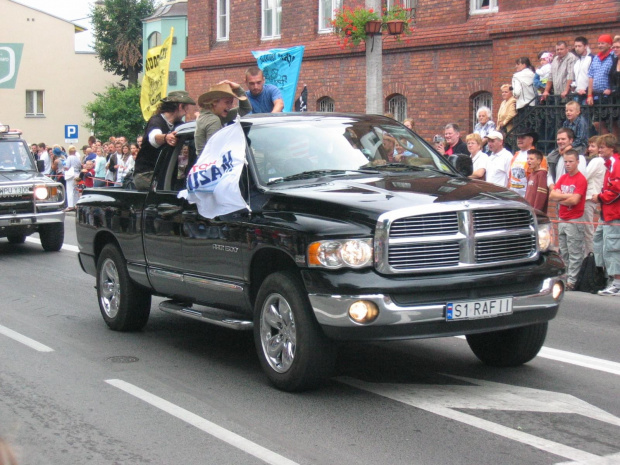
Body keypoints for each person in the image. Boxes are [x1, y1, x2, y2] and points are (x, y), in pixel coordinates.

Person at [134, 90, 196, 191]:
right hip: (147, 174)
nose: (187, 112)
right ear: (180, 106)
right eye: (186, 108)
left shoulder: (179, 125)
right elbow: (153, 137)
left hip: (165, 175)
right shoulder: (156, 121)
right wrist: (165, 137)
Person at [549, 150, 588, 290]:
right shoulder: (564, 177)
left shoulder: (581, 179)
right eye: (566, 161)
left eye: (571, 161)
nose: (568, 164)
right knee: (564, 251)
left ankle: (572, 281)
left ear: (577, 162)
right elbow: (552, 195)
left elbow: (575, 199)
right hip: (562, 219)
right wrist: (566, 199)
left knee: (575, 251)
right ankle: (565, 278)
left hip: (575, 220)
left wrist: (561, 198)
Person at [592, 134, 620, 296]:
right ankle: (608, 276)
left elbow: (616, 189)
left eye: (602, 147)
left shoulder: (616, 163)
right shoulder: (610, 164)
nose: (599, 150)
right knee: (599, 242)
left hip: (614, 213)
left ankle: (617, 283)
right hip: (607, 213)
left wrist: (600, 198)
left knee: (613, 247)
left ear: (611, 148)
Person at [194, 81, 252, 154]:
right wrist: (238, 89)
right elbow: (215, 152)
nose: (230, 106)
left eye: (231, 102)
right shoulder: (213, 120)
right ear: (214, 102)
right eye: (227, 102)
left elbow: (245, 108)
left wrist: (238, 89)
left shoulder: (213, 116)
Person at [587, 34, 615, 134]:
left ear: (609, 44)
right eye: (598, 43)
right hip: (597, 96)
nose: (600, 45)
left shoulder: (613, 57)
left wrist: (612, 88)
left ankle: (615, 146)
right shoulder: (596, 58)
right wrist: (590, 94)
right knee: (597, 123)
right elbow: (591, 76)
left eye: (602, 43)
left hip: (609, 96)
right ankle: (608, 143)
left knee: (613, 122)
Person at [583, 136, 606, 256]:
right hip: (591, 196)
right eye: (589, 146)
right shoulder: (600, 161)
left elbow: (584, 176)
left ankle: (592, 257)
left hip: (588, 197)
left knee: (588, 230)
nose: (590, 149)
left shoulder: (597, 161)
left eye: (593, 146)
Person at [509, 127, 542, 196]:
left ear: (531, 140)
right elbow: (510, 175)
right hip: (513, 196)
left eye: (523, 137)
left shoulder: (537, 156)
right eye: (518, 137)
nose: (519, 140)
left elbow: (540, 178)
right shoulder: (516, 155)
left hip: (528, 196)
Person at [524, 149, 549, 213]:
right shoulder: (530, 175)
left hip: (535, 212)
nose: (528, 161)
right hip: (528, 209)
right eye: (527, 159)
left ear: (539, 161)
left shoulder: (542, 174)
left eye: (531, 159)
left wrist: (537, 211)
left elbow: (541, 194)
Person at [63, 145, 82, 211]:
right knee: (75, 190)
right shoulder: (77, 158)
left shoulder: (69, 157)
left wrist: (63, 167)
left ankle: (70, 205)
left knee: (70, 190)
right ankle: (76, 204)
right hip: (77, 174)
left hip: (71, 175)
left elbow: (67, 167)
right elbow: (80, 166)